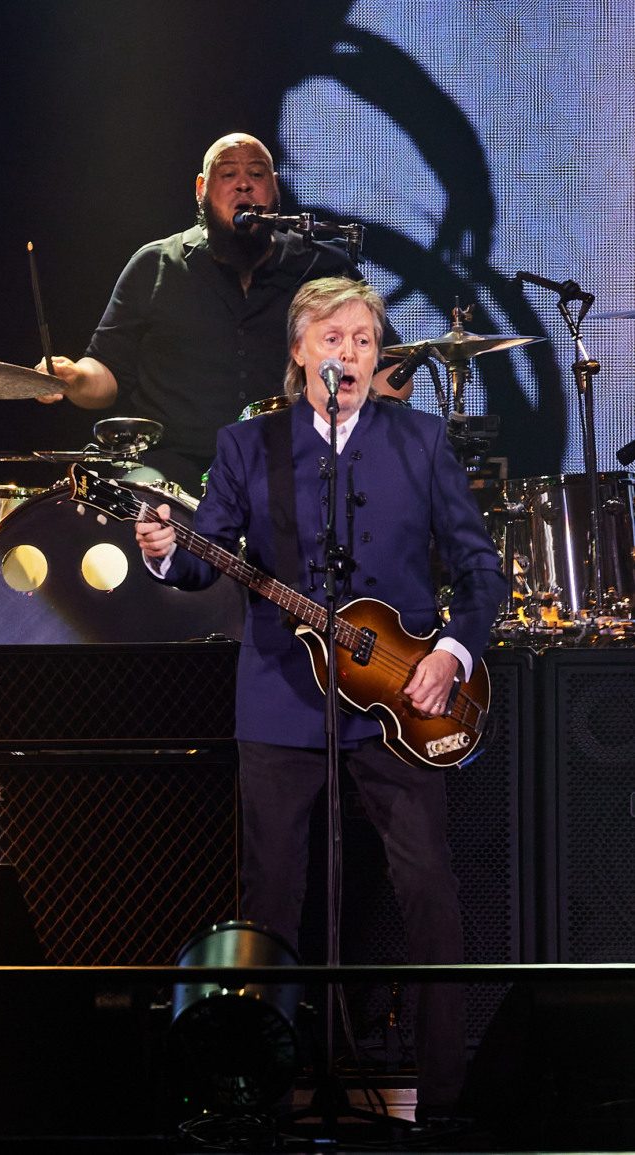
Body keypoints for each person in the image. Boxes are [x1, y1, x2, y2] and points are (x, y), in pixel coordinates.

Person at [135, 275, 506, 1124]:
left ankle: (444, 1105)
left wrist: (449, 653)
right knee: (273, 893)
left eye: (364, 340)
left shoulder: (418, 440)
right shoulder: (245, 445)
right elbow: (205, 558)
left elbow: (482, 570)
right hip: (278, 700)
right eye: (332, 337)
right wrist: (163, 548)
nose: (348, 352)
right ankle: (264, 1094)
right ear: (300, 348)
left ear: (379, 359)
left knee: (428, 890)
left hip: (402, 702)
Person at [36, 132, 400, 494]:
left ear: (274, 188)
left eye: (256, 175)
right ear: (202, 188)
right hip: (171, 477)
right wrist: (73, 378)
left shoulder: (321, 265)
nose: (243, 185)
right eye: (228, 175)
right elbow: (107, 372)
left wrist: (347, 437)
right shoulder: (156, 264)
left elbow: (392, 370)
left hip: (292, 473)